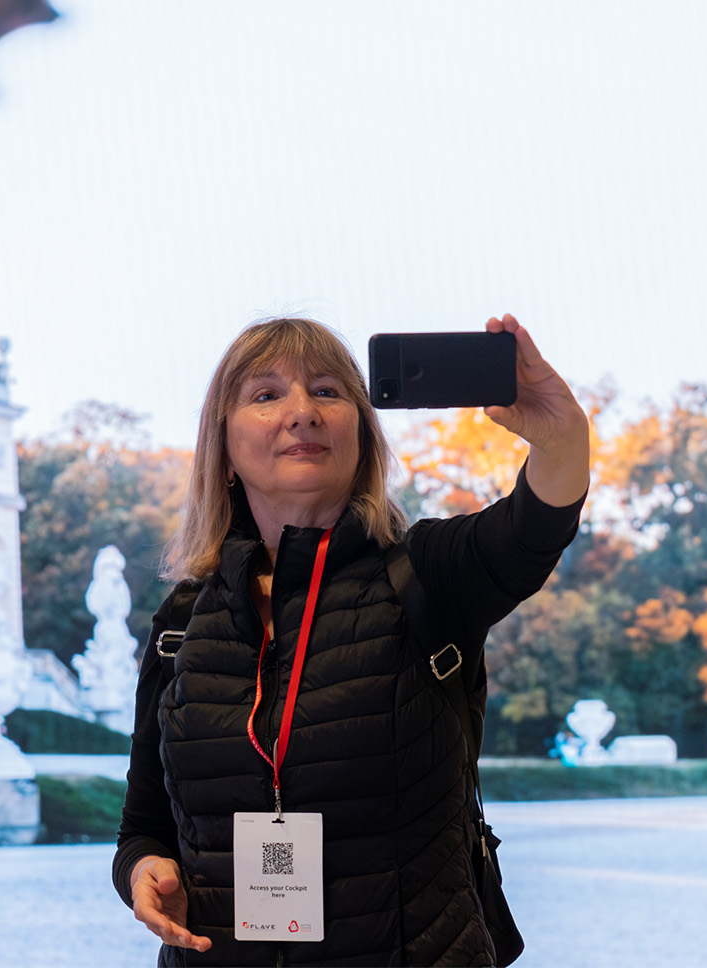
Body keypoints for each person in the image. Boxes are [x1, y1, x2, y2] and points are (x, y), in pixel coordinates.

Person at [113, 315, 589, 965]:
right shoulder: (181, 624)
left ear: (362, 437)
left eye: (330, 391)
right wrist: (143, 873)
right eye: (265, 394)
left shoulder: (425, 574)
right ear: (223, 449)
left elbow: (531, 531)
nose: (302, 411)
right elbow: (143, 829)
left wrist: (561, 437)